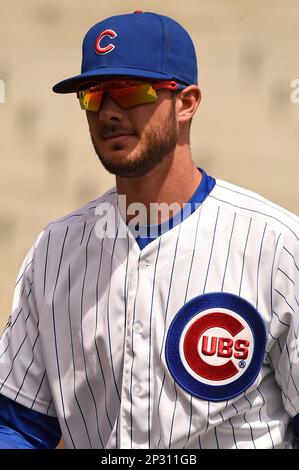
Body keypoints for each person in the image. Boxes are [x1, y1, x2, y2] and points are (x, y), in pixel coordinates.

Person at [0, 11, 298, 450]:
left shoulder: (275, 243)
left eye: (130, 91)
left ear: (187, 102)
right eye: (93, 95)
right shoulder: (54, 249)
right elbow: (20, 424)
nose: (108, 112)